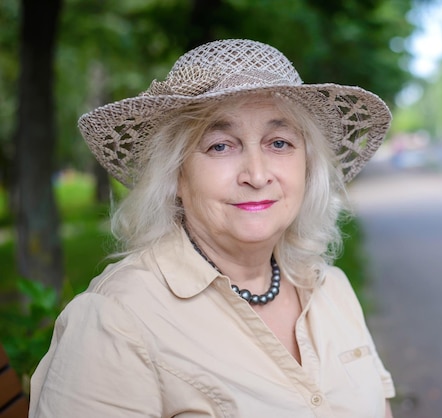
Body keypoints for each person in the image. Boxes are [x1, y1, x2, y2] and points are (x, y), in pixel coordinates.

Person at [29, 39, 395, 417]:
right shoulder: (116, 319)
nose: (256, 174)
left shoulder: (331, 287)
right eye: (221, 146)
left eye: (280, 143)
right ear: (176, 176)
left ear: (307, 167)